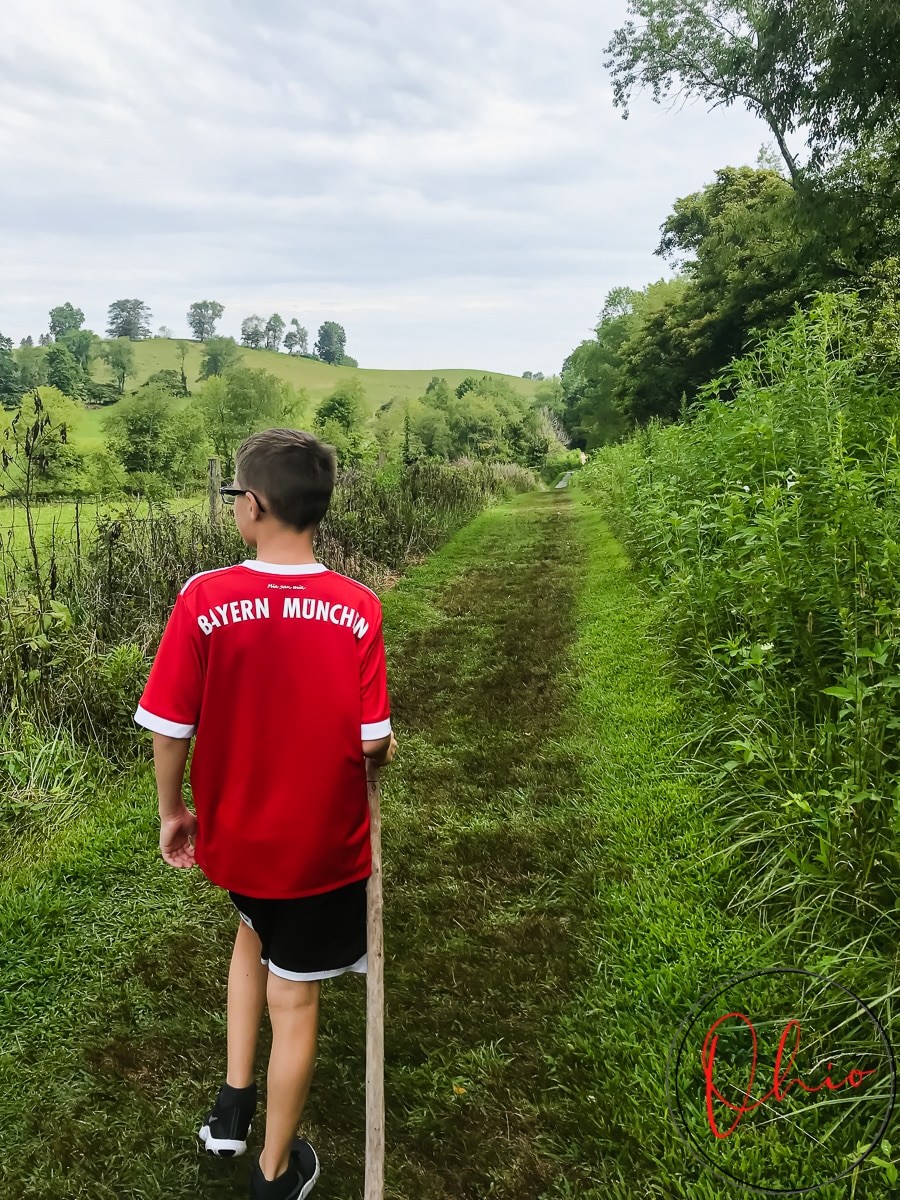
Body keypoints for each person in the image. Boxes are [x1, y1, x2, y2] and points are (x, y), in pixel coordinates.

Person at [132, 428, 397, 1200]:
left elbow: (169, 727)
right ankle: (276, 1171)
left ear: (250, 507)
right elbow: (372, 740)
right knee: (295, 994)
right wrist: (383, 750)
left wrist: (173, 811)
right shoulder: (358, 607)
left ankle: (234, 1104)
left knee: (253, 929)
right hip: (320, 851)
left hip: (240, 842)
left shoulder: (204, 597)